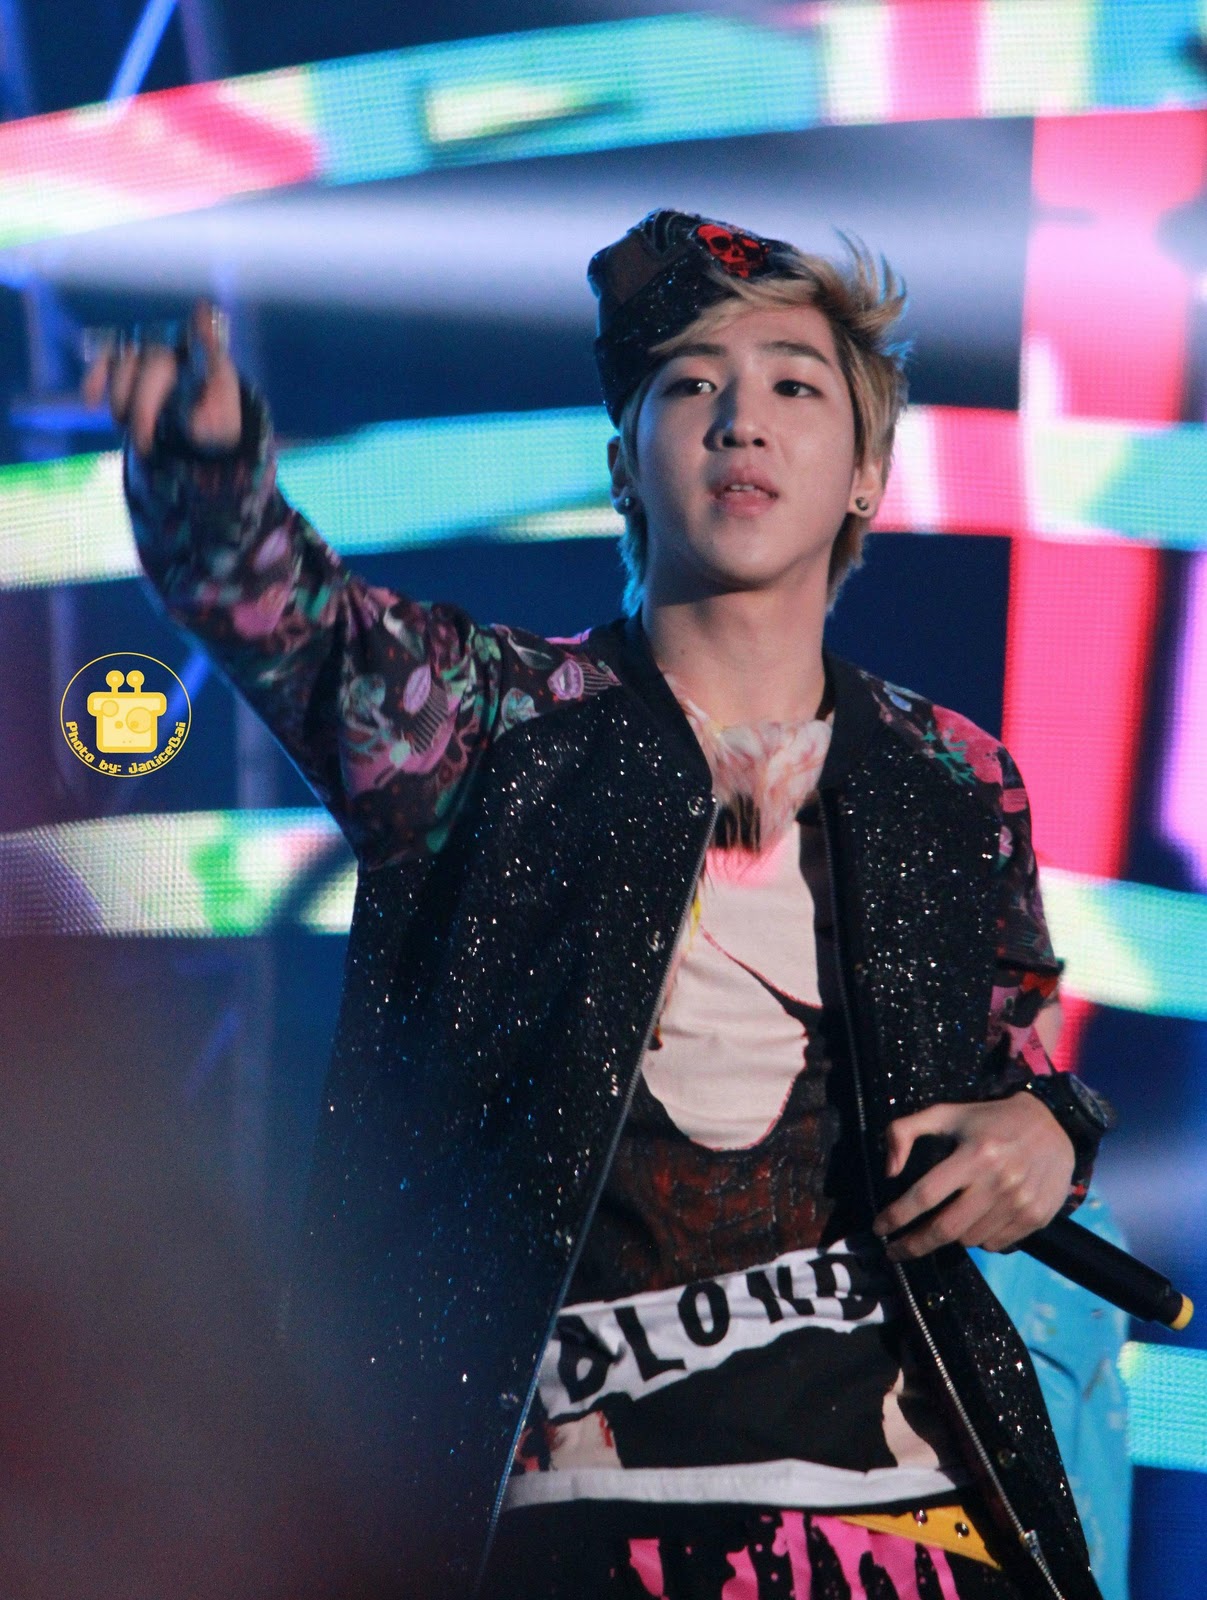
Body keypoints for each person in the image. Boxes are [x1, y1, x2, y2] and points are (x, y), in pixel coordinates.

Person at [84, 210, 1114, 1600]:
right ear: (625, 463)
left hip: (917, 1522)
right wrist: (209, 475)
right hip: (574, 1515)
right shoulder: (489, 725)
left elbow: (1010, 1060)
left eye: (795, 385)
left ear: (867, 472)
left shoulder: (953, 776)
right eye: (692, 384)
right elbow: (297, 627)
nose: (742, 419)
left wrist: (1049, 1129)